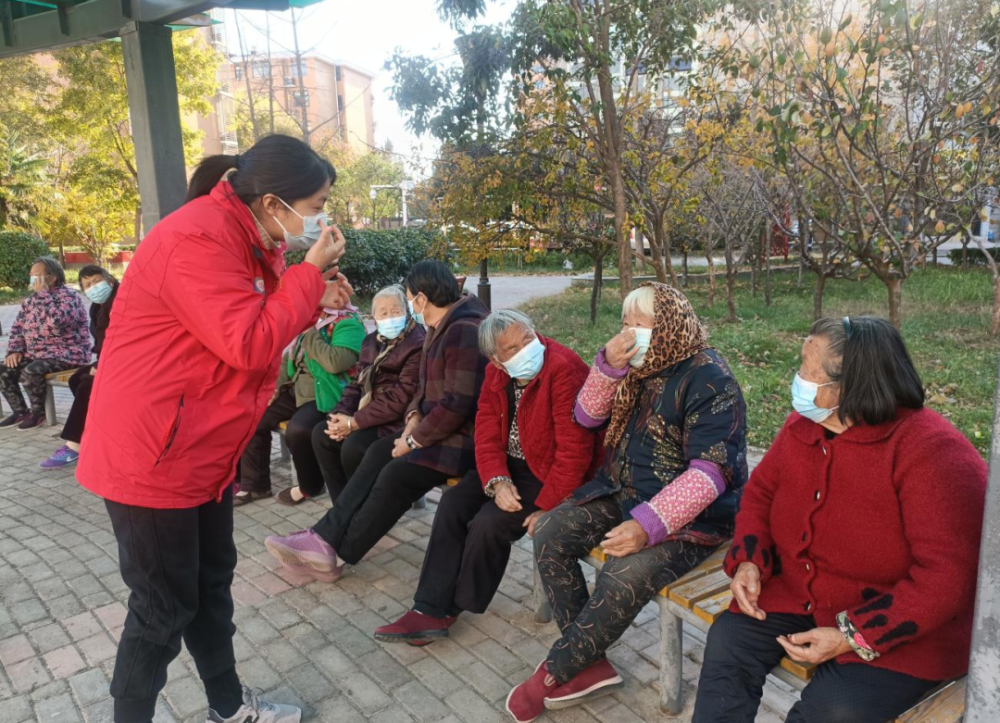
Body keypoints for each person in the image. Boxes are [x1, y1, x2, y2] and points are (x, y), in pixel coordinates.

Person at [76, 134, 347, 723]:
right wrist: (308, 274)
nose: (320, 217)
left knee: (209, 592)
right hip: (155, 460)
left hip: (203, 453)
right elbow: (248, 342)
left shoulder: (248, 234)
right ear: (276, 202)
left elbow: (251, 313)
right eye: (317, 203)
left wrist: (313, 293)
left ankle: (228, 708)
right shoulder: (197, 237)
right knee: (159, 611)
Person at [692, 316, 988, 723]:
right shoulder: (805, 426)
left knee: (834, 710)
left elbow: (947, 578)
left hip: (902, 625)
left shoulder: (932, 453)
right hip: (802, 594)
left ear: (850, 385)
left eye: (807, 369)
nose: (796, 378)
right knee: (730, 640)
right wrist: (749, 561)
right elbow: (760, 495)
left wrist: (852, 636)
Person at [507, 282, 748, 722]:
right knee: (550, 532)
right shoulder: (634, 366)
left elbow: (711, 474)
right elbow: (587, 416)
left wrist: (645, 526)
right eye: (625, 322)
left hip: (692, 517)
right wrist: (606, 369)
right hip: (622, 489)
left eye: (642, 323)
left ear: (670, 325)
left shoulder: (711, 378)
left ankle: (555, 670)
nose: (630, 332)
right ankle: (590, 662)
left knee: (622, 573)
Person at [374, 310, 603, 644]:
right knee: (453, 502)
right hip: (509, 467)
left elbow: (575, 452)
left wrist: (550, 506)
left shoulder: (563, 369)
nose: (527, 347)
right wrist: (496, 479)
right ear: (496, 361)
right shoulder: (497, 376)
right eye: (512, 348)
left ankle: (451, 607)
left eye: (528, 337)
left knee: (489, 523)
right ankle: (427, 607)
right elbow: (485, 432)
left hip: (547, 473)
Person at [264, 260, 489, 583]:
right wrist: (413, 421)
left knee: (391, 471)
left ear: (421, 300)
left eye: (409, 298)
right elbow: (423, 391)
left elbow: (457, 403)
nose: (408, 307)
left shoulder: (464, 330)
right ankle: (325, 540)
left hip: (459, 440)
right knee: (371, 454)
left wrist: (413, 439)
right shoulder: (442, 327)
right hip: (434, 432)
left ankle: (333, 549)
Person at [280, 284, 425, 506]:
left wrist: (353, 422)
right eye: (383, 313)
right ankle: (344, 506)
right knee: (323, 433)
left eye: (396, 311)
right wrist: (340, 416)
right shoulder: (372, 342)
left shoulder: (416, 343)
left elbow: (402, 396)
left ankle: (363, 508)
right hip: (371, 412)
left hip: (398, 419)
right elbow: (357, 384)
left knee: (353, 447)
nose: (390, 317)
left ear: (407, 312)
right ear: (374, 319)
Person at [235, 277, 365, 506]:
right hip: (298, 389)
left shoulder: (348, 322)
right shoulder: (316, 320)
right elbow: (289, 360)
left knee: (299, 429)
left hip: (326, 392)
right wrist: (273, 390)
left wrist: (310, 331)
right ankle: (255, 485)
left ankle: (310, 486)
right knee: (254, 418)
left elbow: (336, 363)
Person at [39, 265, 119, 468]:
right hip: (109, 358)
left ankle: (74, 446)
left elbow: (121, 340)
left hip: (128, 360)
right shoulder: (98, 306)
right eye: (88, 285)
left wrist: (101, 365)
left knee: (87, 385)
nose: (94, 287)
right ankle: (96, 429)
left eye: (96, 281)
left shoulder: (120, 302)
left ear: (109, 279)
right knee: (77, 378)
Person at [1, 256, 91, 431]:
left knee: (31, 371)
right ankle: (20, 412)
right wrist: (15, 349)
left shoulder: (69, 297)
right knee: (3, 369)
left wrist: (43, 295)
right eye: (31, 274)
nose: (33, 278)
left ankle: (38, 413)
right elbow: (17, 327)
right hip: (38, 355)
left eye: (37, 274)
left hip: (67, 353)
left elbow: (57, 323)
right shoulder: (30, 301)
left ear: (51, 278)